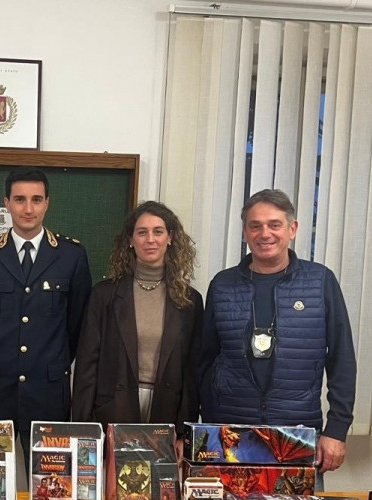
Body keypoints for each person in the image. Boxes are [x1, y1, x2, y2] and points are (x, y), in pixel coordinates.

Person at [199, 188, 355, 481]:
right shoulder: (222, 285)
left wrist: (336, 430)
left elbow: (342, 360)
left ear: (292, 229)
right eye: (255, 226)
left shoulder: (320, 282)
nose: (265, 234)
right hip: (231, 435)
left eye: (274, 225)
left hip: (296, 434)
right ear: (245, 232)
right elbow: (205, 362)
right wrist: (206, 428)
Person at [0, 167, 92, 462]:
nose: (28, 209)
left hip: (48, 392)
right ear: (6, 203)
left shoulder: (72, 256)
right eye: (19, 199)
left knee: (49, 481)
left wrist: (51, 361)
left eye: (36, 199)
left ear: (47, 203)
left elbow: (78, 324)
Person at [71, 201, 203, 450]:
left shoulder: (189, 301)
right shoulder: (104, 295)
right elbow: (87, 367)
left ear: (170, 238)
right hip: (114, 408)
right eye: (142, 232)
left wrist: (184, 432)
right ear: (130, 240)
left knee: (155, 475)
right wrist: (83, 429)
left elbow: (192, 372)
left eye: (158, 231)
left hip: (166, 410)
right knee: (115, 476)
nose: (150, 239)